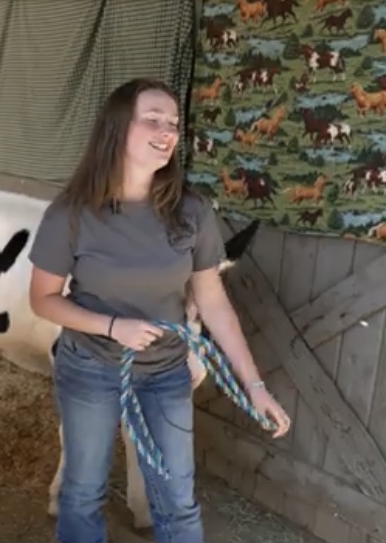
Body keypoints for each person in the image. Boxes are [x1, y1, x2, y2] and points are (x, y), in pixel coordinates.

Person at [27, 78, 292, 543]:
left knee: (177, 499)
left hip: (166, 370)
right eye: (152, 119)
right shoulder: (71, 214)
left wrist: (254, 386)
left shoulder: (190, 212)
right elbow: (43, 299)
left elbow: (213, 302)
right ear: (116, 129)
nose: (167, 130)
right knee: (82, 493)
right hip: (90, 367)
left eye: (172, 122)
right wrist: (113, 326)